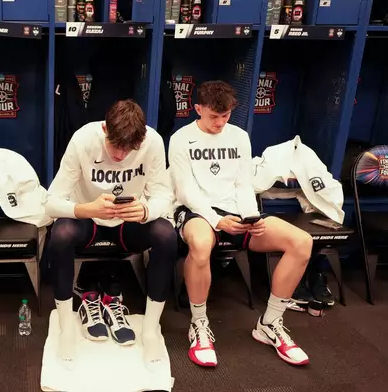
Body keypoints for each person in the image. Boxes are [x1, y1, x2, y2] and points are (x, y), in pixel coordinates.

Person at [168, 81, 313, 367]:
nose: (220, 123)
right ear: (197, 109)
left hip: (236, 212)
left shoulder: (239, 137)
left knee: (301, 242)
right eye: (213, 116)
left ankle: (269, 324)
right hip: (197, 211)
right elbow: (185, 190)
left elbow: (243, 183)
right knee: (200, 243)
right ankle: (199, 324)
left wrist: (251, 216)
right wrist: (216, 219)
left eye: (225, 116)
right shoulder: (181, 138)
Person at [44, 99, 178, 370]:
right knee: (60, 233)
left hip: (129, 224)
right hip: (90, 222)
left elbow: (165, 194)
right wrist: (86, 208)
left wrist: (145, 210)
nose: (120, 155)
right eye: (116, 145)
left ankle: (151, 329)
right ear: (105, 129)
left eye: (129, 148)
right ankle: (67, 327)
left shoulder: (152, 141)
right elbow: (51, 202)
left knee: (166, 234)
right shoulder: (83, 139)